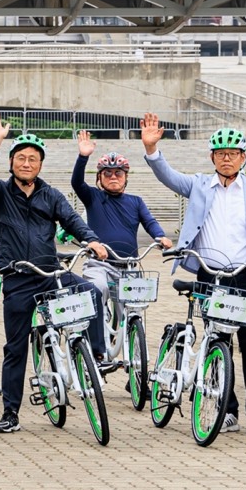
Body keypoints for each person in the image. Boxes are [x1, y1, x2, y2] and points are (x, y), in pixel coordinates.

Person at [142, 115, 246, 437]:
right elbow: (169, 177)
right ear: (212, 157)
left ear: (243, 158)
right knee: (217, 341)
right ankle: (225, 410)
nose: (227, 158)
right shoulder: (200, 184)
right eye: (220, 153)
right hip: (210, 275)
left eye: (233, 153)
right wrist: (152, 150)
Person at [0, 112, 108, 435]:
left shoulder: (51, 195)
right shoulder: (0, 194)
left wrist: (91, 239)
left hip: (50, 275)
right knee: (15, 348)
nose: (26, 163)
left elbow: (72, 219)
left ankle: (98, 355)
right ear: (11, 164)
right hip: (18, 278)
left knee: (91, 292)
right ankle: (10, 412)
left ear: (40, 165)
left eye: (32, 159)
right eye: (20, 158)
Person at [71, 131, 171, 367]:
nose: (113, 177)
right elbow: (76, 182)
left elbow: (150, 222)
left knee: (135, 308)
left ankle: (137, 362)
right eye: (107, 173)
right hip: (99, 264)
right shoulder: (93, 197)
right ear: (100, 178)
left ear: (126, 177)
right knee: (98, 288)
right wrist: (82, 157)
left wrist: (161, 237)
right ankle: (96, 352)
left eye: (118, 173)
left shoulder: (135, 201)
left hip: (128, 267)